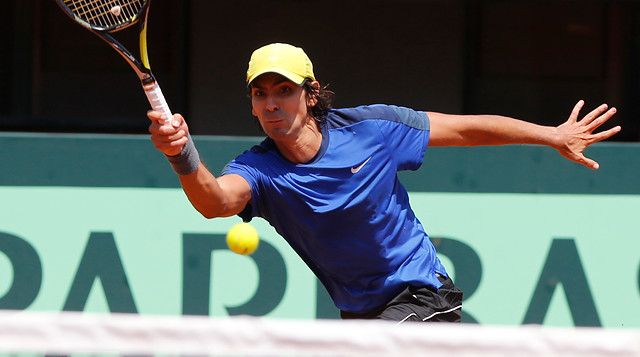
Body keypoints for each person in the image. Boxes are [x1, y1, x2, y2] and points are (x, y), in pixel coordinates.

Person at [148, 42, 620, 323]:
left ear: (311, 96)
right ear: (252, 105)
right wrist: (181, 154)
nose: (272, 104)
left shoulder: (373, 129)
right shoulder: (260, 170)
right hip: (363, 319)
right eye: (260, 94)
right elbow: (214, 201)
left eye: (284, 91)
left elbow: (466, 128)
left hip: (422, 297)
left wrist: (550, 135)